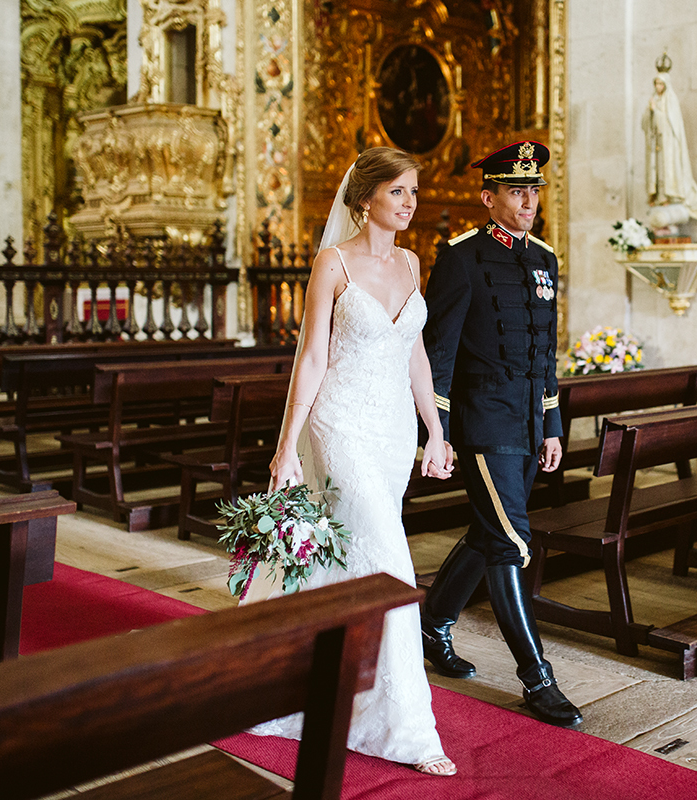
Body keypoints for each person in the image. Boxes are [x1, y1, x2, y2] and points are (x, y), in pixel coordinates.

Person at [248, 147, 458, 777]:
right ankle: (406, 727)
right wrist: (287, 446)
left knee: (346, 555)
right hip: (338, 423)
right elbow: (312, 357)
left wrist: (435, 431)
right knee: (390, 558)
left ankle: (298, 676)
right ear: (365, 198)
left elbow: (415, 353)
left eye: (413, 191)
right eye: (398, 192)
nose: (410, 203)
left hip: (393, 431)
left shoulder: (411, 262)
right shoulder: (333, 263)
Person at [420, 140, 583, 728]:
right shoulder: (461, 258)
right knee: (512, 541)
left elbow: (546, 354)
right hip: (483, 420)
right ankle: (537, 679)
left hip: (527, 421)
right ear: (488, 197)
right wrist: (435, 432)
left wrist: (552, 424)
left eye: (533, 191)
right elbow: (437, 354)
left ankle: (431, 625)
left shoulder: (544, 259)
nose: (528, 202)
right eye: (516, 192)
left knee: (490, 531)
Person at [642, 64, 697, 223]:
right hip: (656, 145)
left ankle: (669, 195)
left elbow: (670, 125)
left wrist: (656, 112)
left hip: (668, 145)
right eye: (656, 83)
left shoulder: (671, 100)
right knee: (656, 171)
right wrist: (650, 112)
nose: (658, 87)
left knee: (668, 169)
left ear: (666, 85)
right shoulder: (653, 100)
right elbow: (645, 124)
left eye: (660, 84)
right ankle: (658, 197)